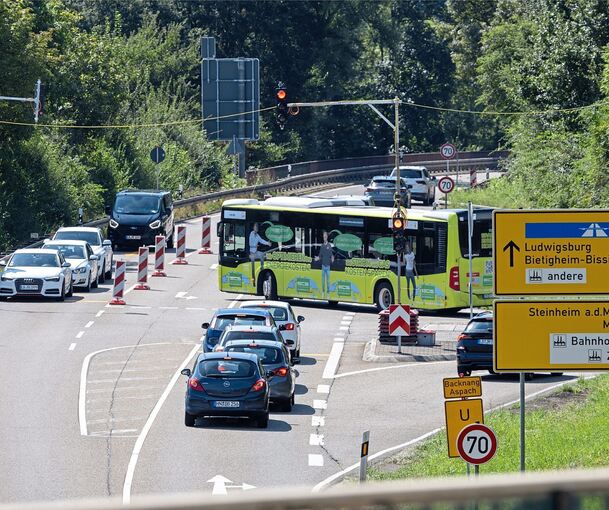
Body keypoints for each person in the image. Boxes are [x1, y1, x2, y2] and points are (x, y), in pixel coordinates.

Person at [315, 230, 334, 298]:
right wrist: (317, 258)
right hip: (323, 266)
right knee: (323, 281)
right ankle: (323, 292)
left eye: (325, 236)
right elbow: (320, 255)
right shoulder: (322, 246)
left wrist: (332, 258)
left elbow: (331, 255)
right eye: (323, 237)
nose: (324, 238)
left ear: (327, 237)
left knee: (328, 281)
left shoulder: (329, 245)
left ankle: (328, 293)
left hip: (328, 266)